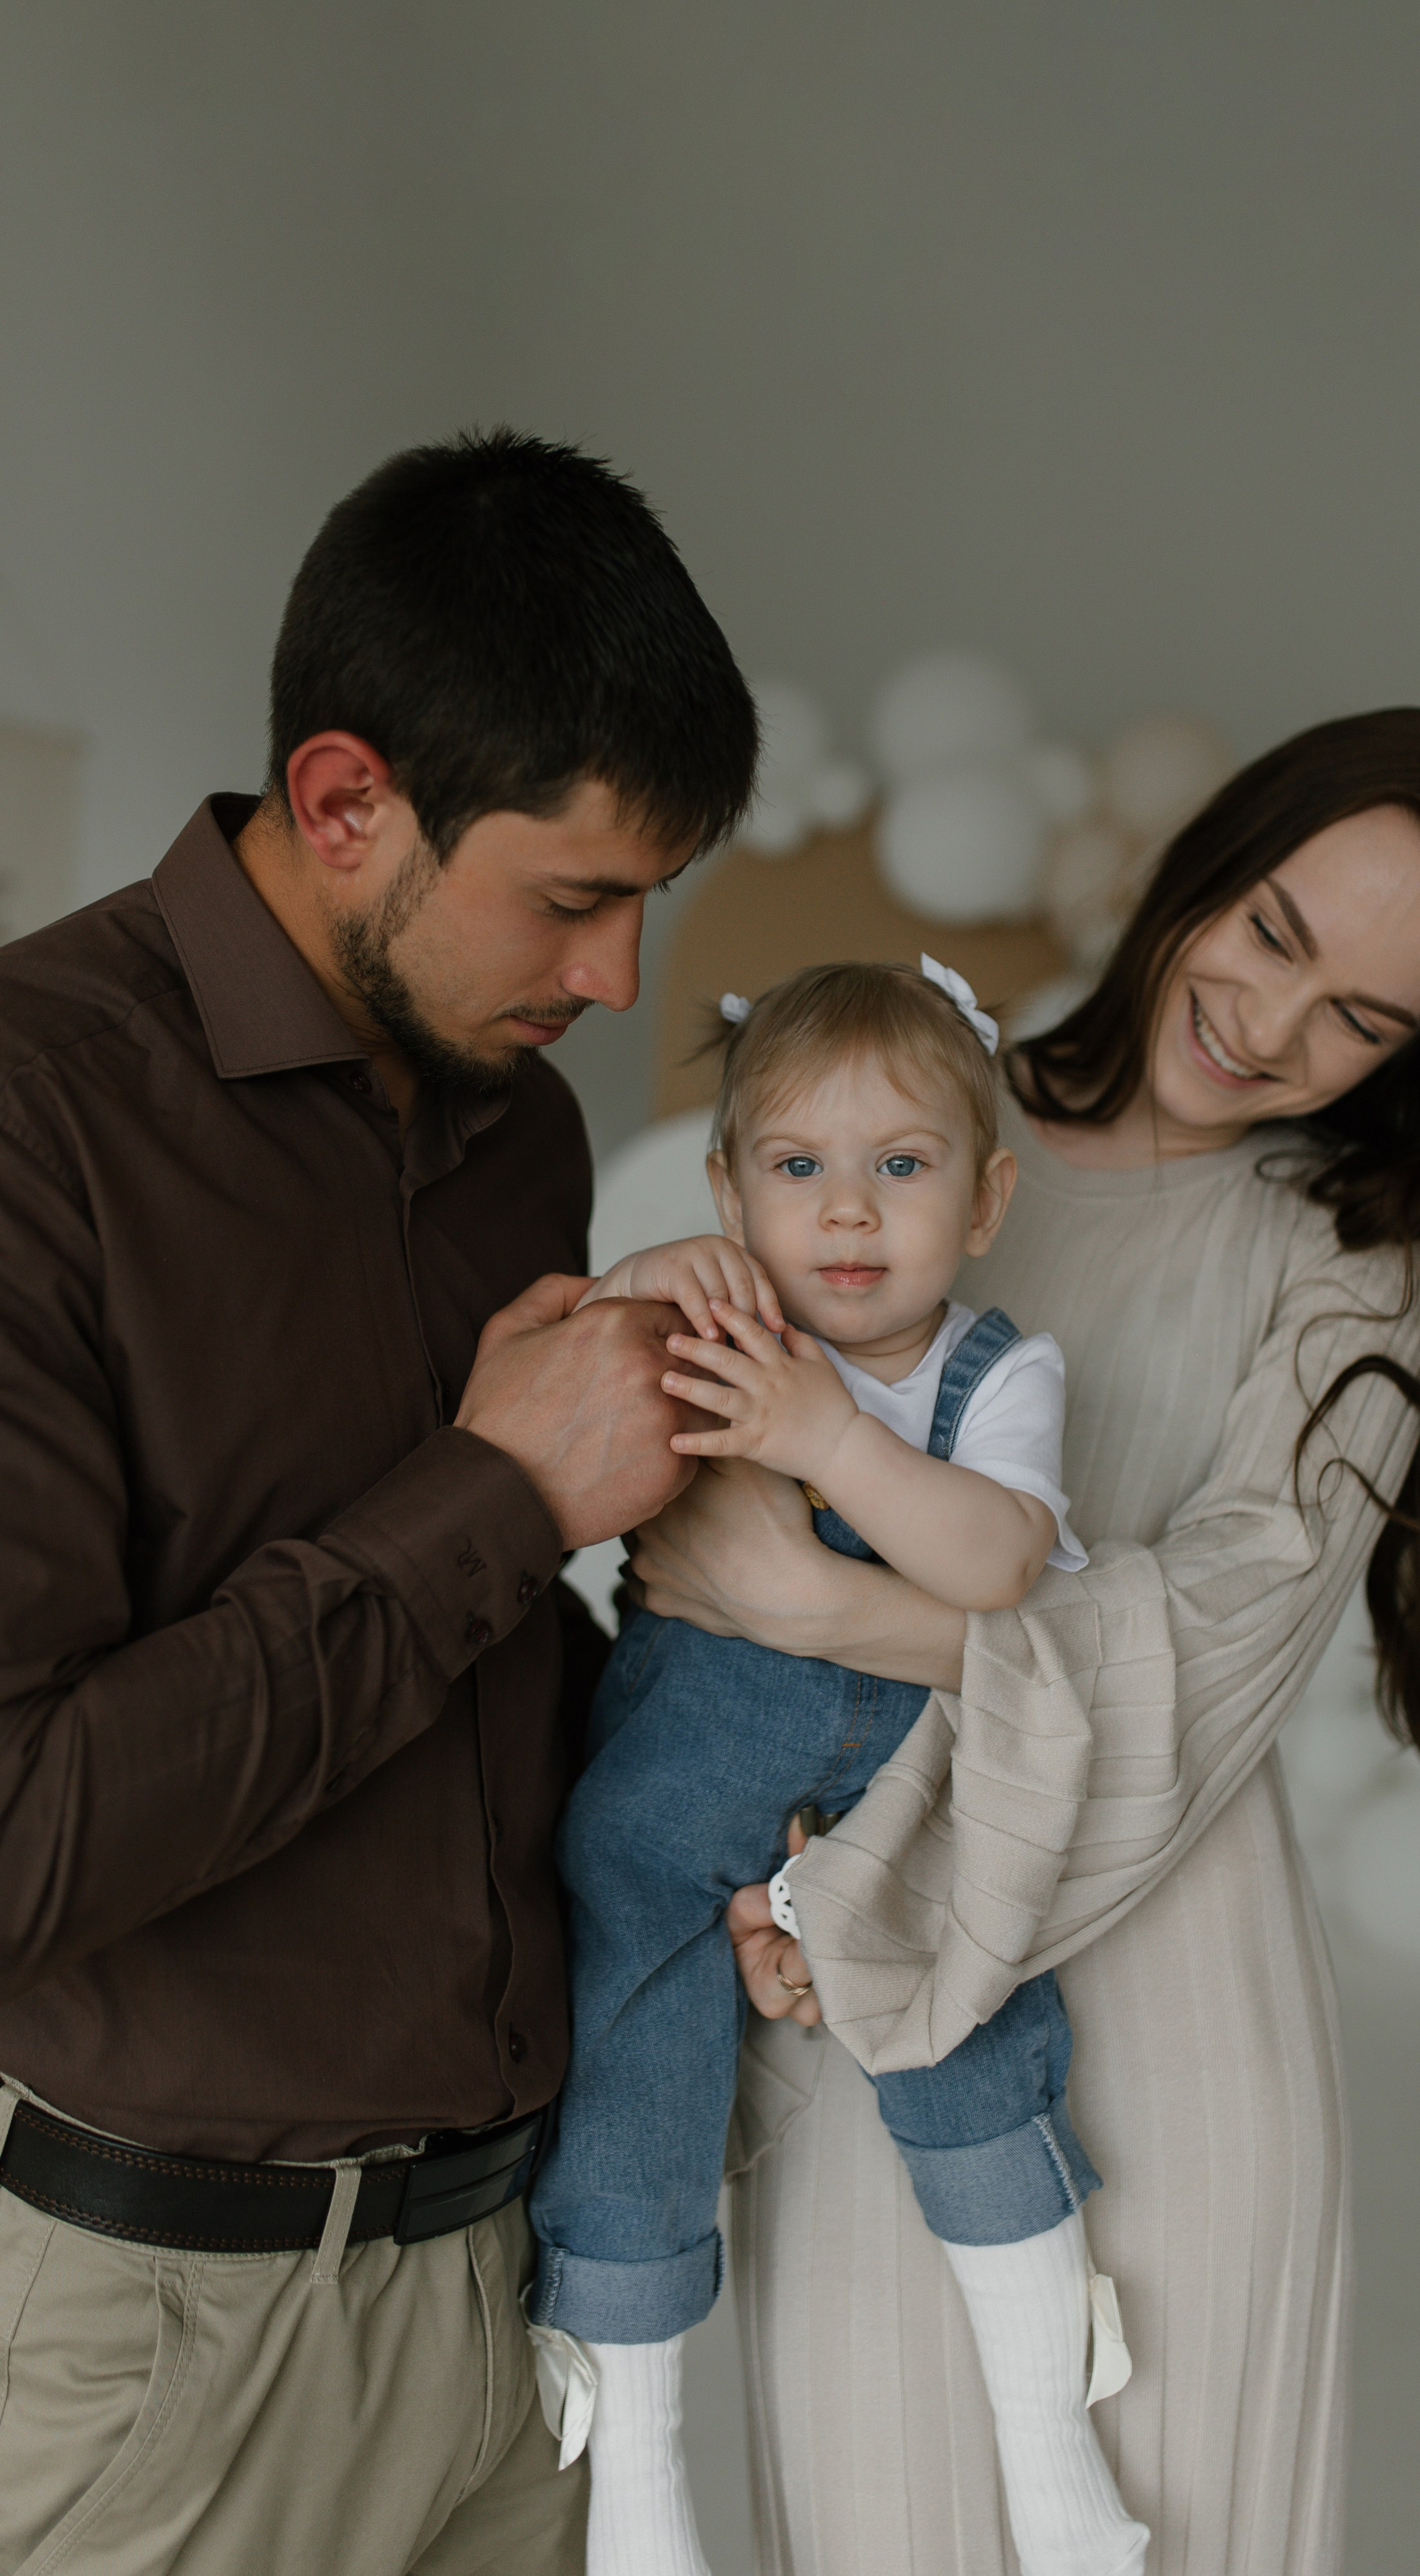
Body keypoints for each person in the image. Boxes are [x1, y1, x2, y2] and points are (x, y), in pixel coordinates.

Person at [631, 708, 1420, 2576]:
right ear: (1212, 860)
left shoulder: (1359, 1272)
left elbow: (1204, 1654)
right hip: (860, 1945)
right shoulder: (897, 1129)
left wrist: (821, 1602)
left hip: (1176, 2010)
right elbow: (679, 1537)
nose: (1272, 1026)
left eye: (1365, 1022)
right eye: (1276, 932)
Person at [0, 428, 756, 2576]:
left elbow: (481, 1661)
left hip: (516, 2298)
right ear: (348, 806)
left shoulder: (513, 1118)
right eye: (577, 895)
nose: (618, 980)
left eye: (651, 903)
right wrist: (503, 1488)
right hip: (172, 2354)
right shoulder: (33, 1124)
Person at [529, 957, 1146, 2576]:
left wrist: (824, 1441)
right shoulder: (710, 1321)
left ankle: (1047, 2450)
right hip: (679, 1785)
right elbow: (552, 1398)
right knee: (633, 2040)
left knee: (973, 2024)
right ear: (731, 1189)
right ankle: (642, 2493)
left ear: (987, 1195)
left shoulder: (994, 1374)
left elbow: (1001, 1562)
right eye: (797, 1168)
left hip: (900, 1801)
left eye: (903, 1164)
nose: (850, 1215)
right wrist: (647, 1276)